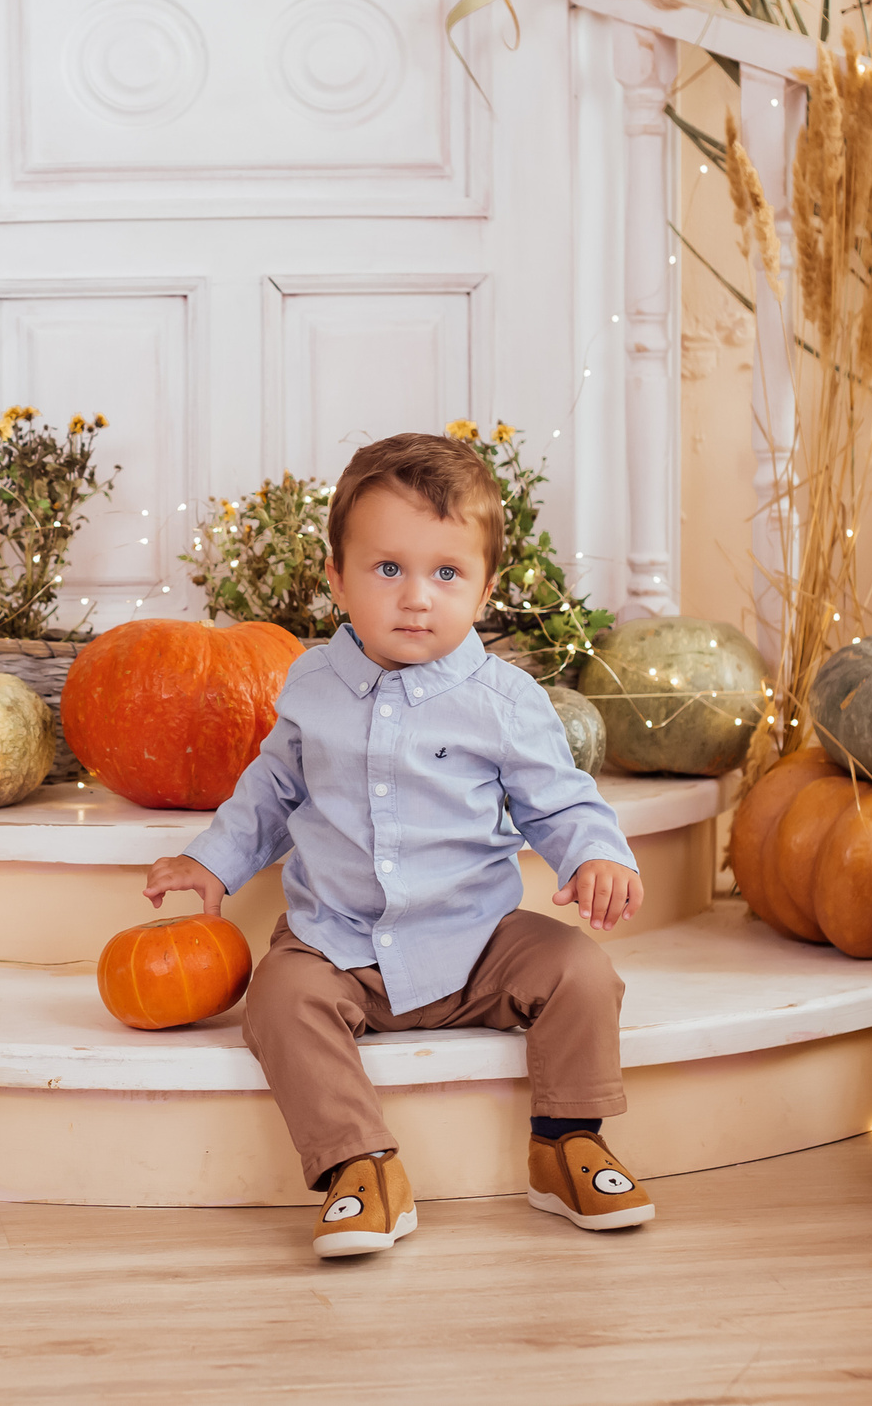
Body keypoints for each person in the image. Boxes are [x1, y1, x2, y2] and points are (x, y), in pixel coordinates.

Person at [143, 432, 653, 1257]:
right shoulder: (310, 684)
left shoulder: (503, 699)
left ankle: (567, 1142)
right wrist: (212, 861)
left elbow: (559, 799)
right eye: (388, 569)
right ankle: (360, 1165)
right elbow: (272, 791)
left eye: (446, 573)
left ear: (485, 589)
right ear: (339, 578)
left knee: (582, 972)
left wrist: (596, 854)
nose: (416, 597)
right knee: (278, 998)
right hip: (338, 941)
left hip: (474, 940)